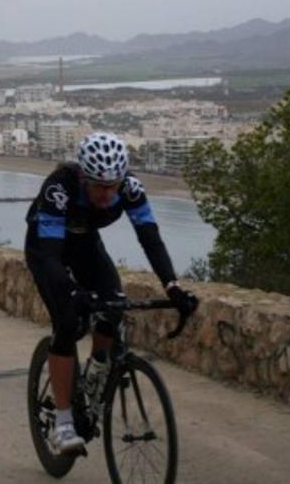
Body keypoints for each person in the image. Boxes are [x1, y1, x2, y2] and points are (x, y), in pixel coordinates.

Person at [24, 132, 197, 454]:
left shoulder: (130, 189)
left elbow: (150, 238)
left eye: (112, 186)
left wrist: (172, 286)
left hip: (85, 244)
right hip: (46, 248)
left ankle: (97, 371)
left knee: (112, 306)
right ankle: (63, 423)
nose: (107, 195)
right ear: (83, 177)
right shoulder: (59, 188)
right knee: (68, 323)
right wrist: (73, 292)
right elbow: (49, 257)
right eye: (99, 187)